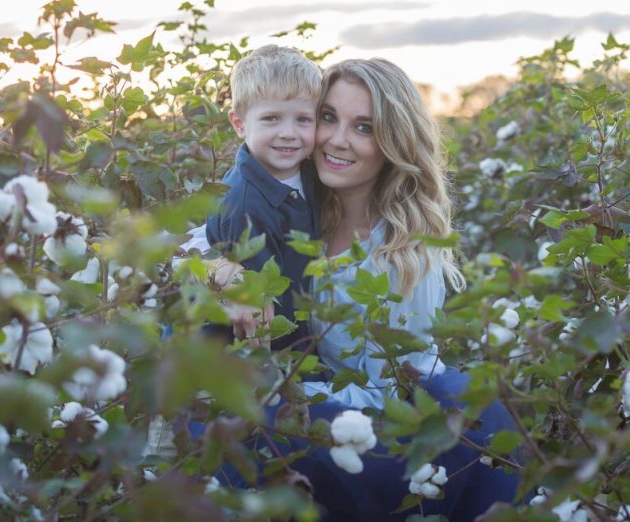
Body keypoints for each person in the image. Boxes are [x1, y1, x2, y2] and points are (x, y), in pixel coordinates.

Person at [190, 58, 519, 520]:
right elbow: (187, 251)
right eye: (328, 118)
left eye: (363, 127)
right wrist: (221, 271)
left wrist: (290, 402)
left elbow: (389, 391)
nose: (337, 140)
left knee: (248, 423)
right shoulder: (296, 197)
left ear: (392, 142)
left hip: (366, 427)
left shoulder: (406, 252)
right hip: (294, 385)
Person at [189, 45, 323, 350]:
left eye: (303, 119)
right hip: (269, 351)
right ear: (239, 124)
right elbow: (260, 308)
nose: (288, 132)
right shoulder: (245, 204)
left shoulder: (309, 172)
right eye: (271, 119)